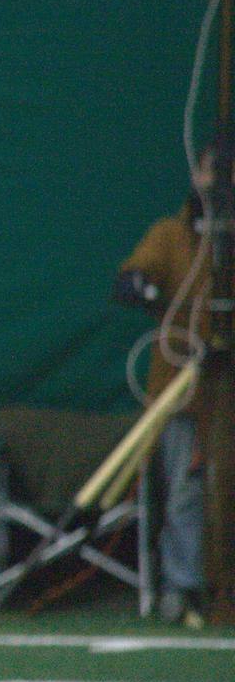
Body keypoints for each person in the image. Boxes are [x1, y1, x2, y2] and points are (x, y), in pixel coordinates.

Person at [116, 144, 221, 626]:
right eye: (213, 171)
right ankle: (184, 588)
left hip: (222, 390)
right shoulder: (173, 236)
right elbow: (131, 279)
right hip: (184, 392)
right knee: (185, 490)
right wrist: (144, 287)